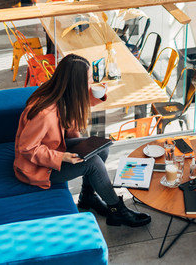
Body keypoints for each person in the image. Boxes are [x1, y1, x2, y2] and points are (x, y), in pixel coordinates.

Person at [14, 53, 151, 227]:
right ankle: (117, 211)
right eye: (87, 80)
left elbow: (75, 110)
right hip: (36, 168)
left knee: (100, 147)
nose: (90, 84)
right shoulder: (44, 113)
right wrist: (62, 157)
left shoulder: (61, 94)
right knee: (92, 163)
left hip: (54, 149)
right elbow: (27, 148)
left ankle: (87, 197)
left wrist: (83, 146)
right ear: (75, 84)